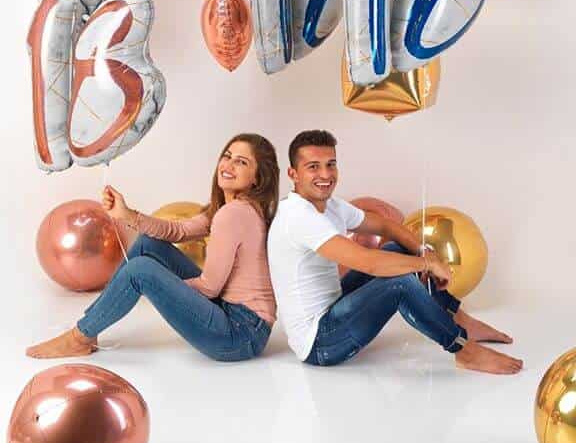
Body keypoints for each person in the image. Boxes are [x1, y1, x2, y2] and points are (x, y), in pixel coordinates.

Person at [267, 130, 523, 375]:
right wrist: (426, 264)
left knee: (398, 249)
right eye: (313, 167)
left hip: (334, 307)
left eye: (330, 164)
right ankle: (463, 349)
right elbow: (369, 263)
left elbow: (385, 226)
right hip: (320, 343)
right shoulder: (299, 217)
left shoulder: (329, 205)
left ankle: (459, 318)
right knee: (399, 283)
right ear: (293, 174)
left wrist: (424, 253)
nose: (325, 174)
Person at [27, 134, 279, 362]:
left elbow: (210, 287)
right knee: (149, 245)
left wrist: (160, 286)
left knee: (140, 271)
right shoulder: (230, 209)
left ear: (257, 178)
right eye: (227, 156)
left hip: (240, 334)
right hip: (235, 318)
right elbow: (177, 231)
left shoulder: (233, 214)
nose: (229, 165)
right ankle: (89, 327)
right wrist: (127, 214)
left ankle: (80, 336)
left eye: (241, 162)